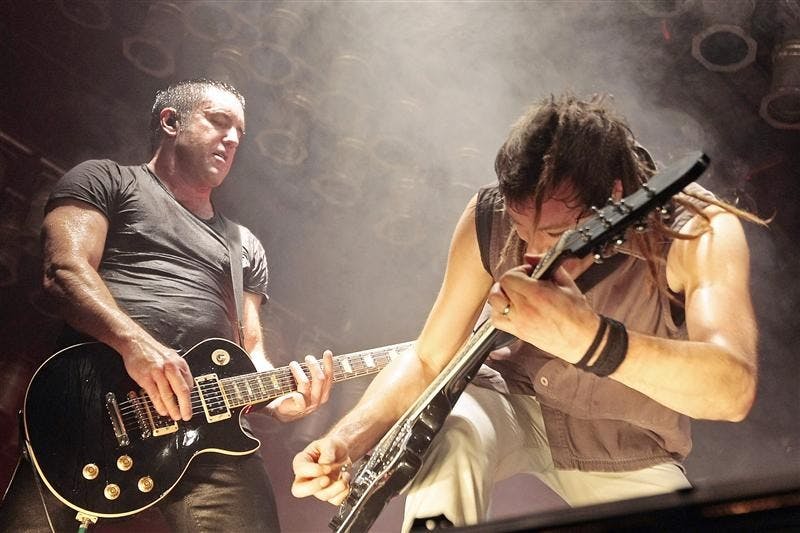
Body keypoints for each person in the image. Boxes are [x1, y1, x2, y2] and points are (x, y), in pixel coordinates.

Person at [290, 93, 763, 530]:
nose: (534, 249)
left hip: (627, 441)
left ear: (614, 196)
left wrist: (592, 341)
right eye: (521, 226)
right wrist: (347, 443)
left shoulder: (696, 230)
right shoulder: (488, 214)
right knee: (450, 432)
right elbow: (428, 359)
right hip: (510, 401)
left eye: (556, 234)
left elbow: (732, 392)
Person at [0, 78, 334, 532]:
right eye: (218, 122)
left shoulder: (244, 246)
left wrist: (280, 399)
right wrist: (136, 345)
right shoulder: (105, 179)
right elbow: (64, 272)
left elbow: (251, 351)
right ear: (171, 121)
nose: (232, 139)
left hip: (209, 430)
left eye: (239, 132)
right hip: (91, 401)